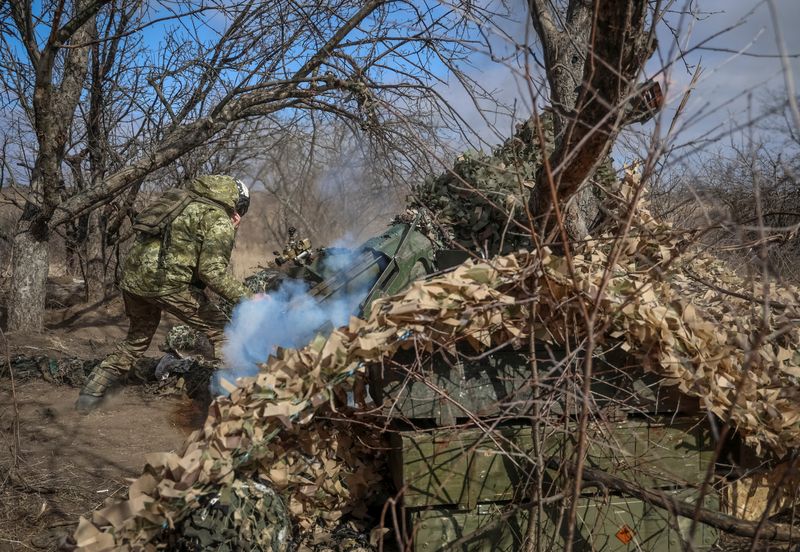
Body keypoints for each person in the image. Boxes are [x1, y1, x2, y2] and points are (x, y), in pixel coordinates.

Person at [75, 174, 252, 413]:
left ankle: (88, 397)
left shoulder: (181, 201)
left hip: (135, 280)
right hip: (169, 285)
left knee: (135, 343)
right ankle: (231, 402)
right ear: (236, 203)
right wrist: (250, 298)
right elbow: (212, 273)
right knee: (224, 334)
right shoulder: (217, 220)